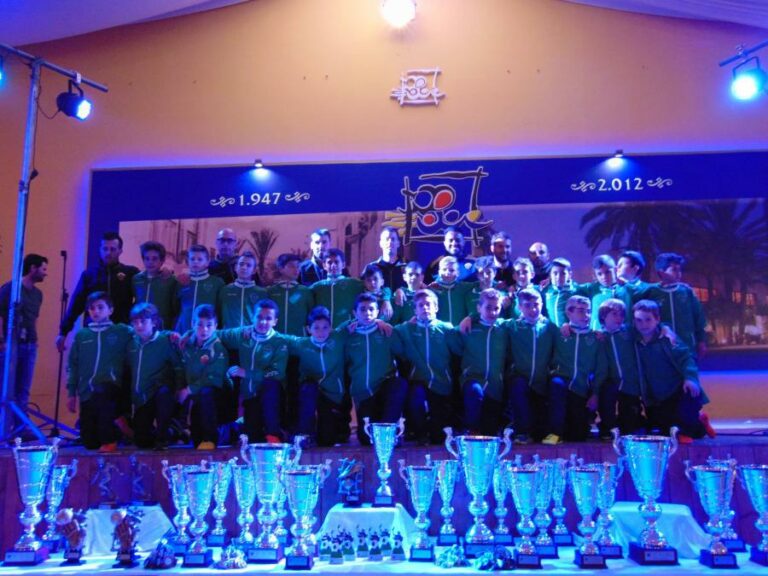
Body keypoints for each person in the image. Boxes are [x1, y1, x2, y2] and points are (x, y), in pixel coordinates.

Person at [633, 299, 714, 443]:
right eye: (639, 320)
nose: (643, 324)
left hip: (678, 390)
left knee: (685, 426)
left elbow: (686, 357)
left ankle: (693, 425)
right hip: (658, 396)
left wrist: (690, 379)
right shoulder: (635, 341)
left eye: (648, 320)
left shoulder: (667, 338)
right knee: (663, 429)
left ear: (657, 319)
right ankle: (699, 423)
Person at [66, 292, 133, 452]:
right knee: (90, 443)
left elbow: (144, 333)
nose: (95, 311)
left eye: (100, 307)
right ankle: (119, 424)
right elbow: (72, 365)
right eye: (92, 308)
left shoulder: (121, 331)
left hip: (111, 387)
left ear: (110, 310)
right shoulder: (82, 335)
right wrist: (71, 393)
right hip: (86, 391)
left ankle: (110, 440)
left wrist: (169, 335)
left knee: (102, 393)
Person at [394, 289, 462, 444]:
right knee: (416, 398)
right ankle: (420, 432)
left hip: (441, 383)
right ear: (415, 310)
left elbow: (459, 350)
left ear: (436, 307)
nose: (425, 308)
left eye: (428, 304)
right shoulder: (407, 329)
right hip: (418, 380)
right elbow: (391, 332)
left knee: (438, 437)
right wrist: (381, 322)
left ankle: (436, 430)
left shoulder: (446, 328)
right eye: (421, 305)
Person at [218, 298, 289, 443]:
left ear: (275, 321)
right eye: (259, 317)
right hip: (250, 399)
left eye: (268, 318)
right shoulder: (243, 334)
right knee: (253, 437)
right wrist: (188, 334)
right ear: (252, 317)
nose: (263, 322)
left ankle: (274, 434)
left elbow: (277, 373)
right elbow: (214, 333)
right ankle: (237, 427)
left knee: (271, 385)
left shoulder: (279, 341)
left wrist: (246, 373)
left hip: (273, 399)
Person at [57, 232, 139, 352]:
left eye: (112, 249)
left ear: (120, 251)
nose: (108, 253)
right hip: (94, 332)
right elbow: (76, 304)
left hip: (121, 332)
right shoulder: (89, 275)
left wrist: (163, 272)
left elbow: (147, 290)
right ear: (100, 250)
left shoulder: (131, 273)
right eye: (105, 249)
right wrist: (63, 332)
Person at [344, 293, 407, 445]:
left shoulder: (387, 332)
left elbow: (402, 354)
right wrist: (347, 326)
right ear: (355, 313)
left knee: (399, 384)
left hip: (384, 390)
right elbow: (333, 334)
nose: (367, 313)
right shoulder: (348, 335)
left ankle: (389, 433)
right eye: (363, 309)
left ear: (378, 312)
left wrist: (382, 323)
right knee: (366, 439)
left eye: (371, 309)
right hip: (363, 395)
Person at [546, 295, 606, 445]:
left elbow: (601, 369)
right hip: (561, 384)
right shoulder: (559, 333)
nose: (586, 315)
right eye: (580, 311)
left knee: (577, 435)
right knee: (556, 384)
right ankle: (555, 433)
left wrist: (595, 394)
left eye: (589, 311)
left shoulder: (596, 338)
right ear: (569, 312)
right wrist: (565, 325)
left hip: (581, 389)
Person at [285, 306, 348, 446]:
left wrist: (380, 322)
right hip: (310, 392)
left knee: (327, 440)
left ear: (331, 328)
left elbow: (357, 321)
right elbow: (277, 338)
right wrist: (250, 330)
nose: (321, 332)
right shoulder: (301, 344)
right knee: (308, 388)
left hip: (332, 394)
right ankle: (305, 434)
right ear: (309, 329)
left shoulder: (338, 338)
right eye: (316, 328)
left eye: (325, 327)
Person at [503, 288, 558, 444]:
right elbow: (488, 320)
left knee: (541, 431)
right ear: (520, 307)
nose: (533, 309)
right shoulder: (512, 326)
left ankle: (553, 433)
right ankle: (521, 432)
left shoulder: (550, 327)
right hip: (520, 378)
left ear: (542, 304)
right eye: (527, 305)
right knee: (518, 386)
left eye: (536, 304)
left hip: (542, 381)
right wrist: (472, 317)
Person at [0, 253, 48, 432]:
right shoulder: (11, 289)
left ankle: (20, 429)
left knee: (24, 389)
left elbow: (34, 318)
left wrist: (35, 340)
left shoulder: (38, 294)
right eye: (43, 269)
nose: (45, 273)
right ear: (33, 268)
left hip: (30, 345)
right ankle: (4, 429)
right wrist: (2, 341)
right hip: (11, 345)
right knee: (7, 387)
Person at [126, 303, 183, 449]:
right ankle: (170, 433)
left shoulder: (165, 341)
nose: (139, 325)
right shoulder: (131, 343)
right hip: (141, 398)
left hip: (159, 393)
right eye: (135, 322)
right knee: (141, 441)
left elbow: (178, 367)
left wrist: (179, 389)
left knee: (164, 394)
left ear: (154, 322)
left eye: (143, 321)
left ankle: (166, 433)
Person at [178, 304, 229, 449]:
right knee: (196, 441)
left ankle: (211, 438)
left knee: (206, 392)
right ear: (193, 324)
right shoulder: (186, 344)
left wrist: (188, 390)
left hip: (216, 395)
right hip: (193, 394)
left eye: (209, 325)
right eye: (199, 324)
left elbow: (214, 379)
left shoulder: (217, 348)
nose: (204, 329)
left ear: (215, 326)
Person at [460, 288, 509, 436]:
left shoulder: (505, 328)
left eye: (496, 308)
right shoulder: (468, 327)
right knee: (474, 391)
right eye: (488, 308)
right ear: (478, 307)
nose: (492, 312)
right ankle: (470, 429)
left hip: (495, 386)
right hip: (472, 379)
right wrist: (472, 317)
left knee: (489, 433)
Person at [642, 253, 707, 358]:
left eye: (679, 270)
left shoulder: (687, 291)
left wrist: (701, 341)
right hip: (661, 350)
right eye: (674, 270)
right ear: (661, 272)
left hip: (687, 347)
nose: (678, 273)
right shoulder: (651, 292)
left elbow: (698, 317)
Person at [596, 298, 644, 437]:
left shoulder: (629, 331)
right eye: (614, 314)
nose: (619, 318)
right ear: (603, 316)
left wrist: (665, 329)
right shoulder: (600, 336)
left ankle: (633, 425)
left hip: (631, 382)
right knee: (607, 403)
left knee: (630, 414)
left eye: (622, 314)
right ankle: (608, 428)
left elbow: (650, 328)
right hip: (612, 381)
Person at [175, 244, 225, 333]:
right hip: (183, 329)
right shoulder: (180, 281)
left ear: (207, 262)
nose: (195, 262)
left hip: (206, 331)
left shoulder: (217, 282)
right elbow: (175, 306)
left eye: (200, 259)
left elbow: (221, 309)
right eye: (192, 259)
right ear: (188, 261)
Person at [311, 248, 365, 328]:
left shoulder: (354, 283)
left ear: (343, 264)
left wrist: (385, 298)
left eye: (336, 262)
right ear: (324, 265)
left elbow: (375, 289)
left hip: (348, 329)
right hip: (324, 331)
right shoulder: (317, 287)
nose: (333, 265)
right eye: (329, 262)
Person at [577, 254, 632, 331]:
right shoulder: (592, 288)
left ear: (615, 270)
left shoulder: (626, 288)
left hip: (622, 334)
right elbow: (570, 291)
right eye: (599, 274)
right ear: (595, 274)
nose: (604, 277)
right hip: (597, 334)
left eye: (607, 272)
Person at [132, 241, 178, 330]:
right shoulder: (136, 279)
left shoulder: (171, 280)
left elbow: (175, 307)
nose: (150, 262)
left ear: (162, 261)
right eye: (147, 258)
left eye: (154, 259)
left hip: (162, 328)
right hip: (140, 326)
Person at [218, 252, 267, 329]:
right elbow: (218, 315)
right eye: (241, 264)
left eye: (248, 265)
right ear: (235, 267)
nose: (244, 267)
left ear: (254, 270)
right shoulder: (225, 290)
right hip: (229, 334)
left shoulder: (262, 292)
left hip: (252, 335)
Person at [431, 256, 472, 326]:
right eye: (444, 269)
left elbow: (481, 283)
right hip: (440, 330)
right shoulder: (432, 289)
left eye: (451, 270)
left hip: (459, 329)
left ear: (458, 273)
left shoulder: (464, 287)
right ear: (439, 272)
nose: (447, 273)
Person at [540, 257, 579, 326]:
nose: (558, 277)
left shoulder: (576, 291)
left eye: (563, 273)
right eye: (555, 273)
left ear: (569, 275)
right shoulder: (546, 290)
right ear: (550, 275)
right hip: (552, 331)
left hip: (570, 331)